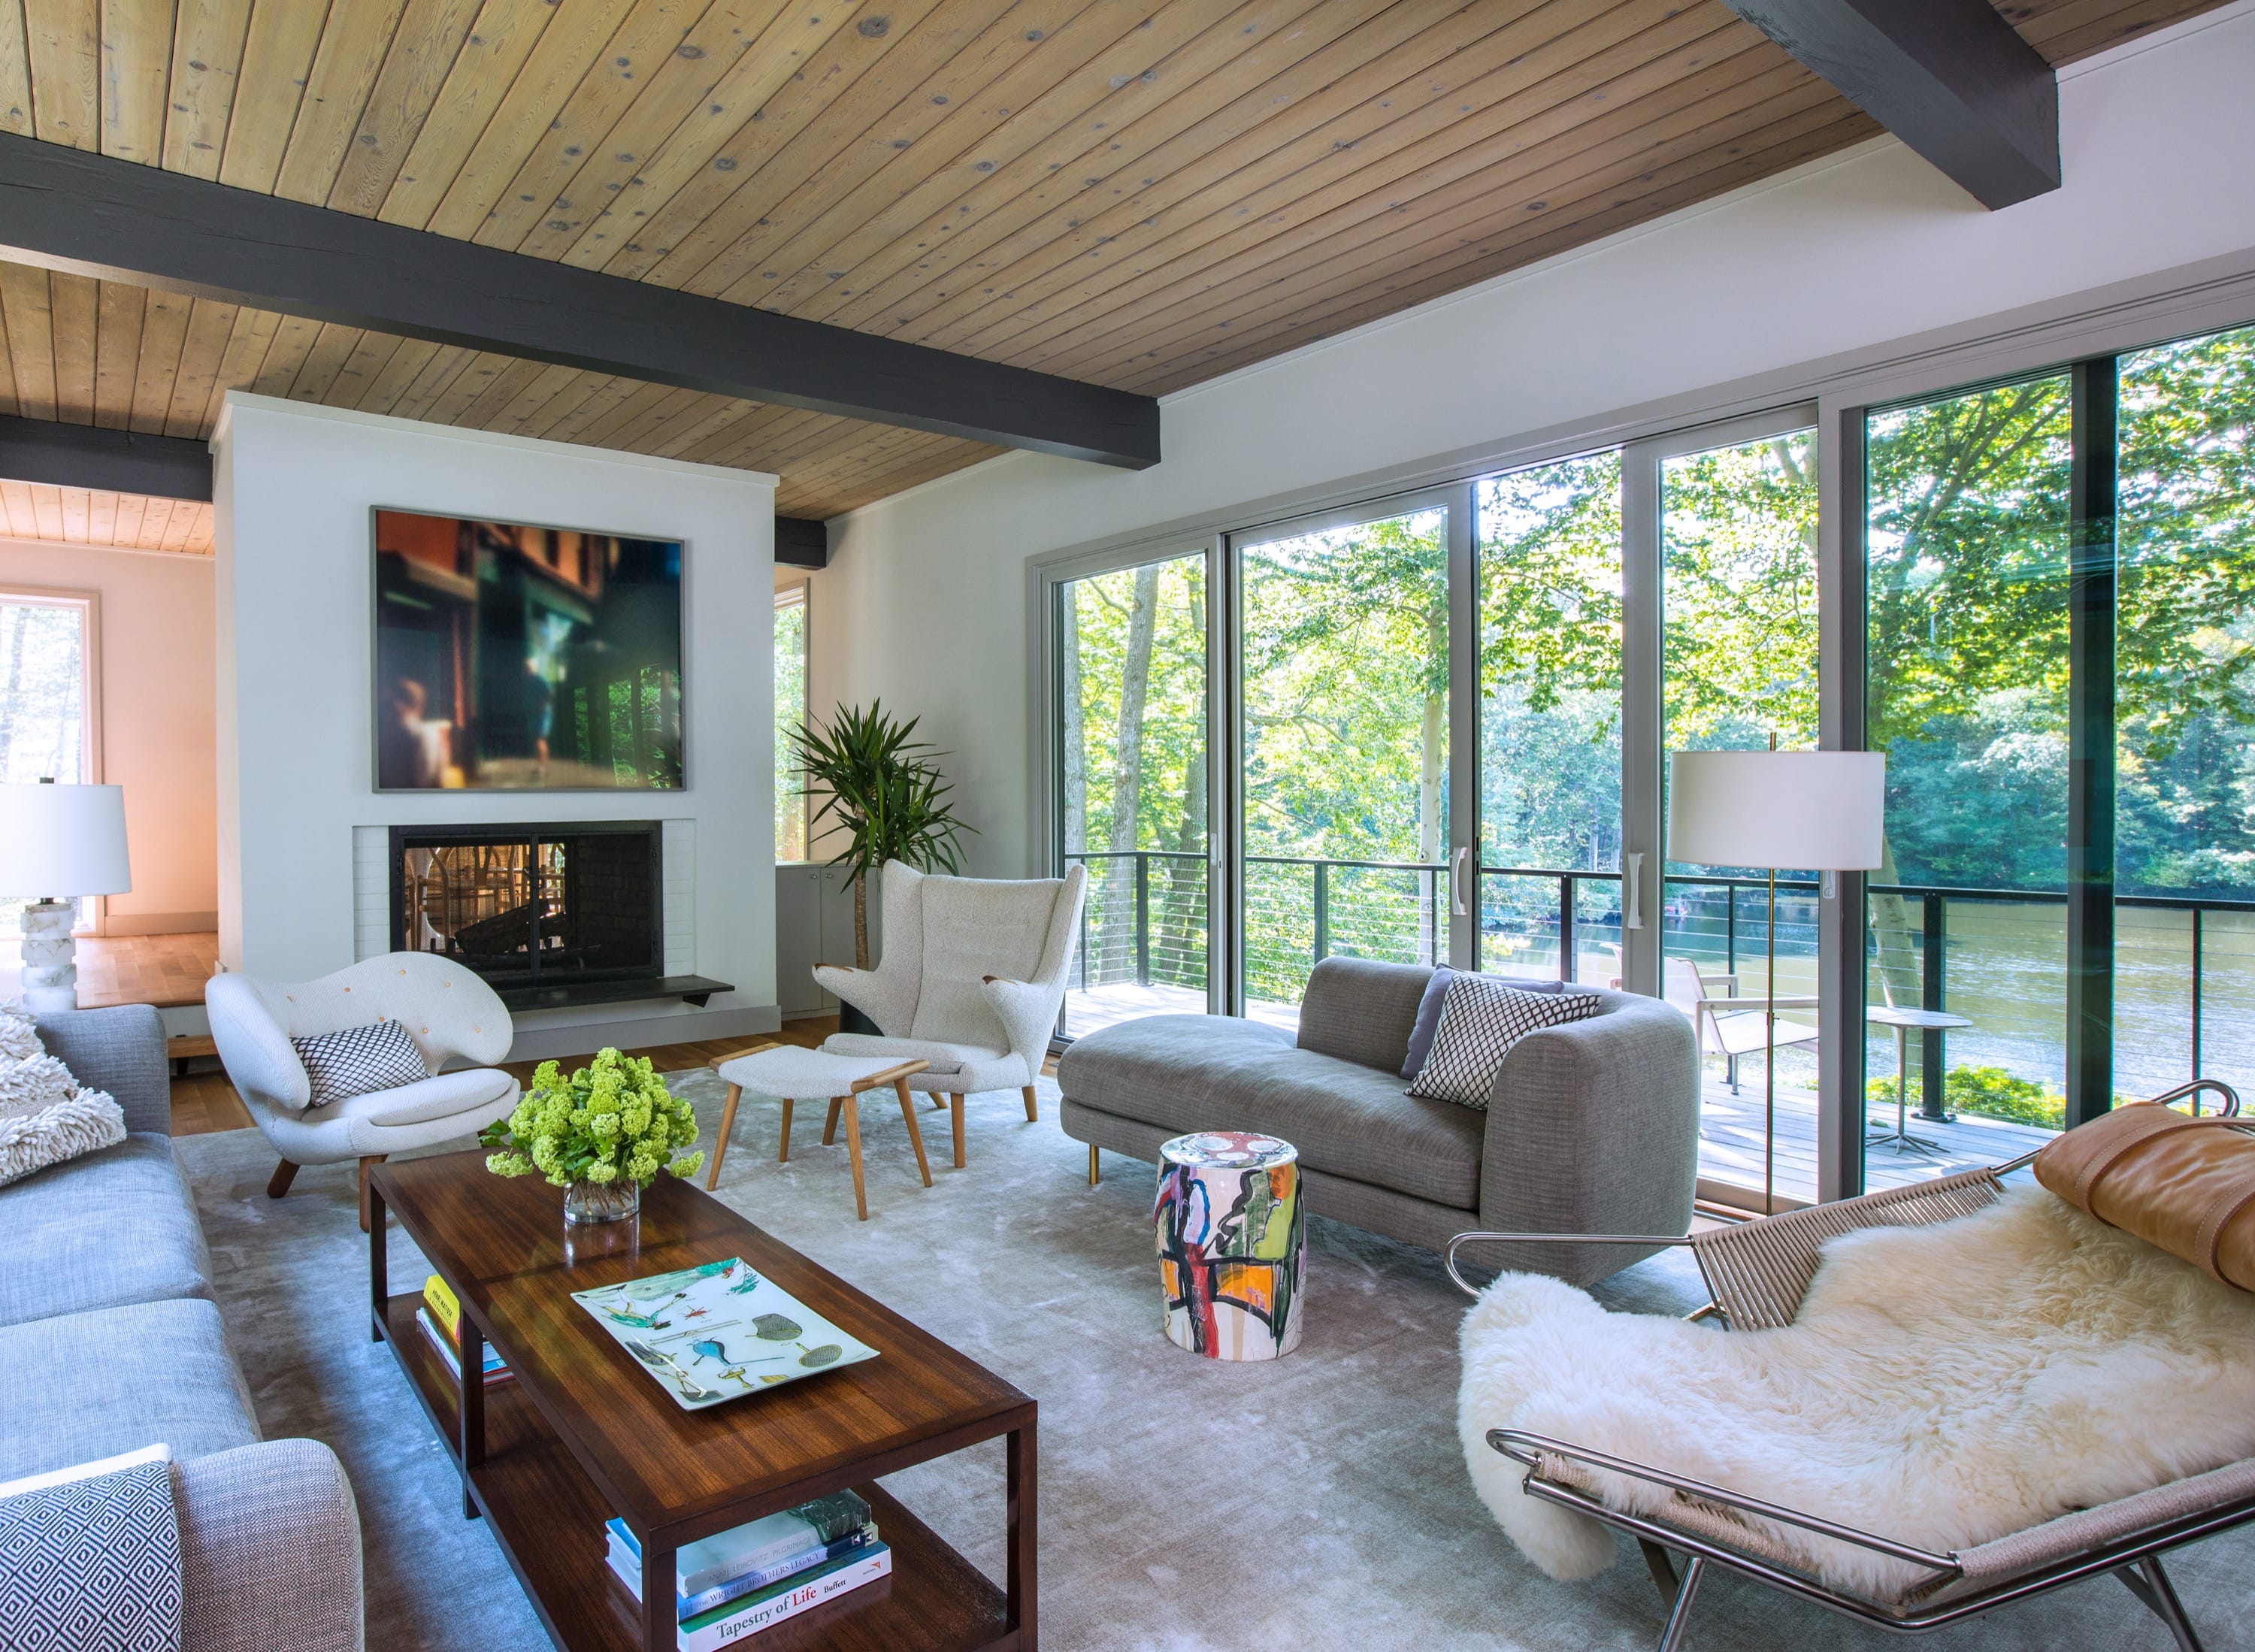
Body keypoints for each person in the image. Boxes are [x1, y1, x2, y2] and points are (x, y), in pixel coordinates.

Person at [378, 676, 449, 789]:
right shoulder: (425, 734)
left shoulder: (422, 734)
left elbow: (423, 781)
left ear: (399, 704)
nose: (386, 711)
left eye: (388, 704)